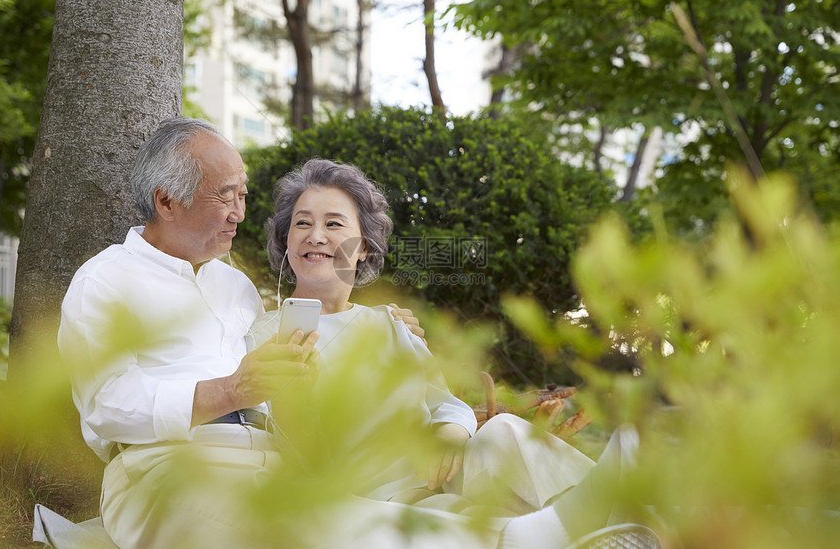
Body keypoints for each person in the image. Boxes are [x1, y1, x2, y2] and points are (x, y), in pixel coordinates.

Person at [55, 118, 428, 549]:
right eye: (225, 195)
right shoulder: (105, 280)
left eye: (243, 194)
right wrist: (230, 391)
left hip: (274, 463)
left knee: (381, 528)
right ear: (167, 201)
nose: (240, 213)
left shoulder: (236, 287)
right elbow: (106, 403)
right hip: (168, 467)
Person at [243, 158, 648, 549]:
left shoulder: (390, 324)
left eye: (333, 223)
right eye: (302, 224)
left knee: (503, 433)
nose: (316, 235)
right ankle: (614, 521)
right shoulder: (266, 336)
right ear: (286, 241)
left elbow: (448, 405)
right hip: (375, 501)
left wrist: (449, 436)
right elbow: (295, 454)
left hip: (444, 471)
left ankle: (631, 515)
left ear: (364, 246)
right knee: (501, 517)